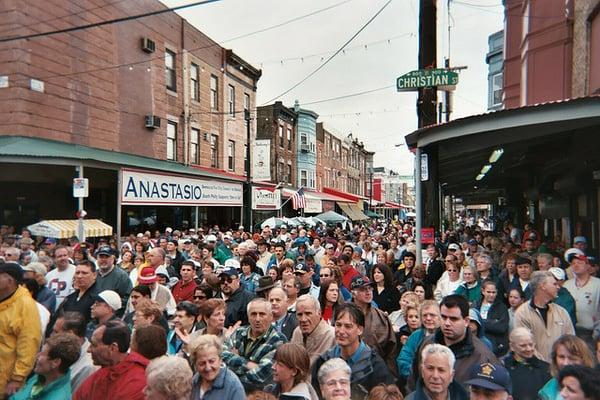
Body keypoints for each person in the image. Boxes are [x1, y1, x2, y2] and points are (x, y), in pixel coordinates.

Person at [410, 295, 498, 388]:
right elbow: (413, 381)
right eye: (444, 317)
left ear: (466, 321)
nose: (447, 323)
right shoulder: (426, 344)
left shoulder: (482, 355)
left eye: (453, 319)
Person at [312, 303, 395, 399]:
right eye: (338, 325)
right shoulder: (324, 361)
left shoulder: (374, 365)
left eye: (348, 326)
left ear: (360, 330)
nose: (341, 331)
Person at [222, 298, 287, 391]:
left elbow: (261, 376)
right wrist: (249, 365)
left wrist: (235, 359)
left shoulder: (278, 340)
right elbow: (221, 356)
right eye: (253, 314)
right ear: (248, 317)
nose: (257, 319)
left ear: (271, 317)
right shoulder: (238, 332)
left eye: (262, 314)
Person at [73, 320, 149, 400]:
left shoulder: (136, 383)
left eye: (94, 345)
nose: (88, 350)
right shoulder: (100, 375)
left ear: (112, 348)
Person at [0, 262, 42, 398]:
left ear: (9, 281)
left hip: (5, 378)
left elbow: (29, 346)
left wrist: (17, 379)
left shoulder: (26, 306)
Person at [514, 271, 574, 362]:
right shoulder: (522, 313)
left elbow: (571, 340)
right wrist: (543, 365)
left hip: (560, 368)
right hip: (534, 369)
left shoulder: (561, 312)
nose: (558, 287)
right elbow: (524, 345)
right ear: (543, 286)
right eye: (554, 284)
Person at [9, 333, 81, 400]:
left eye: (42, 354)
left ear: (55, 362)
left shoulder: (59, 397)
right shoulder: (41, 376)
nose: (37, 356)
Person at [350, 275, 397, 371]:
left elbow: (391, 350)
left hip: (376, 370)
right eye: (363, 289)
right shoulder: (344, 315)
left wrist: (390, 377)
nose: (368, 292)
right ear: (353, 294)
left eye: (369, 288)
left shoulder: (381, 316)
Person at [538, 335, 597, 400]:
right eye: (561, 357)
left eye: (572, 358)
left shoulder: (595, 387)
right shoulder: (548, 389)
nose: (566, 363)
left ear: (583, 360)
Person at [51, 311, 98, 390]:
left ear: (70, 334)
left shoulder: (88, 366)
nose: (51, 336)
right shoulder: (59, 350)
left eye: (56, 332)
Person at [562, 253, 600, 349]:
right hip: (570, 333)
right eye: (573, 263)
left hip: (590, 334)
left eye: (579, 262)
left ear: (588, 266)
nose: (576, 265)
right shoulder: (566, 285)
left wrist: (596, 333)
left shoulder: (598, 284)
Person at [501, 327, 551, 400]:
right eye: (523, 346)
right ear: (512, 346)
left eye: (531, 344)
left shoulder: (546, 368)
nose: (529, 349)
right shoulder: (503, 368)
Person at [397, 300, 441, 381]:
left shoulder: (446, 336)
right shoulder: (415, 336)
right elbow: (403, 359)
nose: (428, 318)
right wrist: (417, 376)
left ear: (440, 317)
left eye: (432, 315)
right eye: (425, 315)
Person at [291, 294, 336, 366]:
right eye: (299, 315)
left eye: (308, 314)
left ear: (319, 313)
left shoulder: (332, 336)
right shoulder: (297, 332)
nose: (303, 319)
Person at [95, 245, 132, 316]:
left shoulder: (122, 276)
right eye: (101, 257)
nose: (103, 260)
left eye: (106, 257)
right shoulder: (93, 274)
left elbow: (127, 299)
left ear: (112, 259)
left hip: (112, 318)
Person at [474, 280, 509, 356]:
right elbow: (473, 325)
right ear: (483, 291)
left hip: (497, 348)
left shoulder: (502, 307)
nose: (491, 295)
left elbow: (501, 327)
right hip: (478, 346)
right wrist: (492, 322)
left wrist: (481, 322)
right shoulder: (476, 305)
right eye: (488, 292)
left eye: (493, 292)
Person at [46, 245, 76, 310]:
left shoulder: (76, 271)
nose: (63, 258)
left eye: (65, 255)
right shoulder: (49, 275)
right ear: (54, 258)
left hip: (69, 311)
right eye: (59, 256)